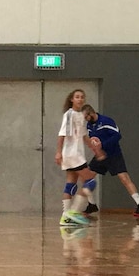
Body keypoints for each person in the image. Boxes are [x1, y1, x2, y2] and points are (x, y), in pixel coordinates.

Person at [80, 104, 139, 218]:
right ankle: (92, 204)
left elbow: (117, 135)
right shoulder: (90, 126)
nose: (85, 120)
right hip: (100, 155)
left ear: (91, 113)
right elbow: (92, 140)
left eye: (86, 117)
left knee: (124, 178)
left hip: (113, 154)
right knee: (86, 177)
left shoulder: (106, 121)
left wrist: (103, 144)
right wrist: (96, 148)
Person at [55, 89, 93, 226]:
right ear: (72, 99)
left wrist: (96, 150)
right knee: (90, 181)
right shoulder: (69, 115)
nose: (80, 99)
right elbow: (62, 135)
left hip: (77, 154)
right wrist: (58, 152)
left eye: (82, 97)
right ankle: (74, 212)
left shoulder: (80, 116)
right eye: (77, 97)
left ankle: (65, 216)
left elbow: (84, 136)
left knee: (70, 185)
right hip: (72, 154)